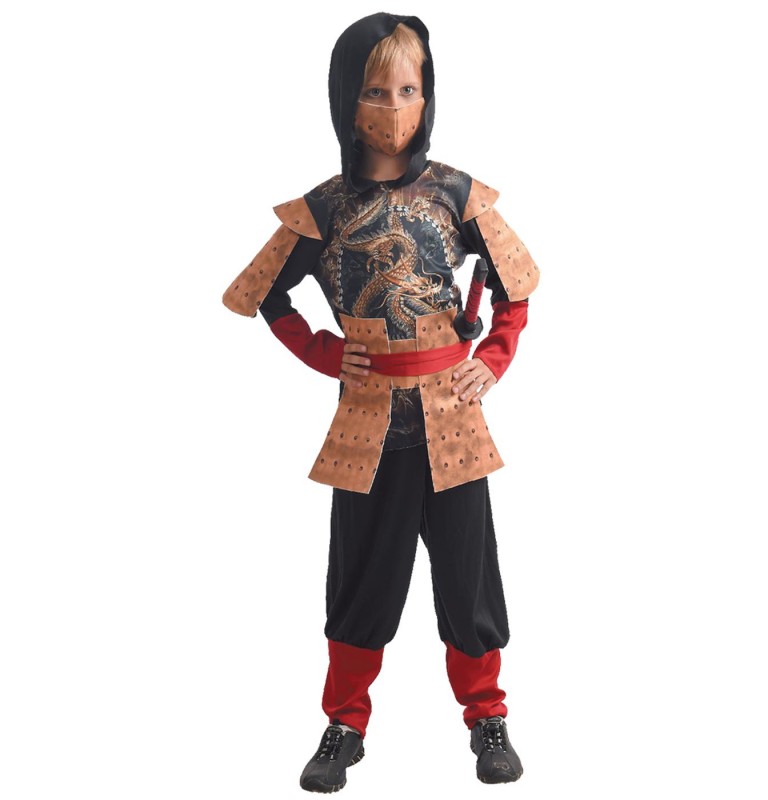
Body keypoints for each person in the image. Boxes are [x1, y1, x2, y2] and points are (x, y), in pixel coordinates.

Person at [222, 12, 540, 792]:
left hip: (453, 418)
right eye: (375, 91)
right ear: (346, 98)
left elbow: (517, 288)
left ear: (427, 95)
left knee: (467, 576)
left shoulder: (457, 193)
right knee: (361, 578)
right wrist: (326, 353)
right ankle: (345, 725)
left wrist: (491, 361)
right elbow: (262, 295)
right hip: (367, 422)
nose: (394, 108)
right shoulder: (325, 208)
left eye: (409, 89)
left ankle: (487, 715)